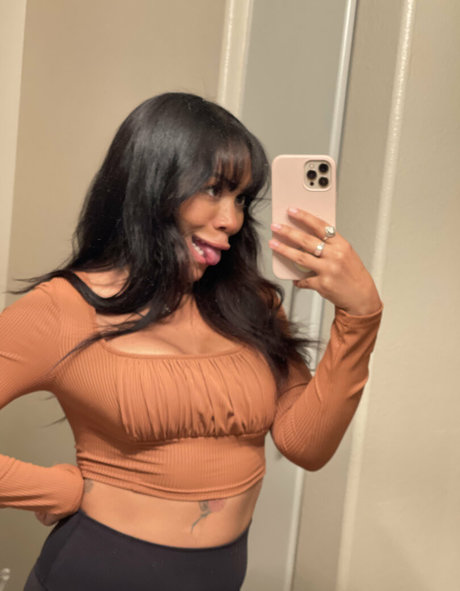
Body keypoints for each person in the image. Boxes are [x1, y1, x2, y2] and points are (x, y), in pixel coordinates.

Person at [0, 93, 382, 591]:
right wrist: (54, 490)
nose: (232, 220)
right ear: (152, 185)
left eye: (241, 198)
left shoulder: (252, 305)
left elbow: (305, 445)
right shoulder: (62, 308)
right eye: (214, 189)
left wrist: (360, 317)